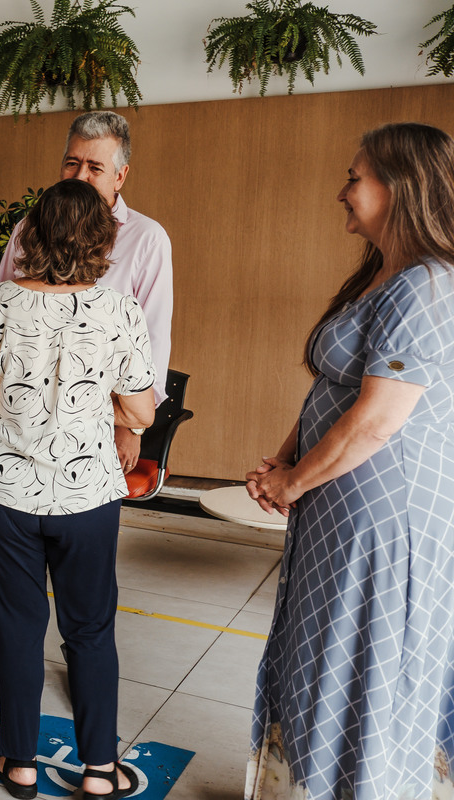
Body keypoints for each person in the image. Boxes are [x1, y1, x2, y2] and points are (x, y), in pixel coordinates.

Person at [245, 122, 454, 799]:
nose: (342, 191)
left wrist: (293, 483)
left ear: (403, 187)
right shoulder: (385, 277)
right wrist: (284, 463)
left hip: (379, 521)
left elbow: (375, 421)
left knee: (357, 668)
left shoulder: (425, 286)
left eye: (355, 177)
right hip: (339, 509)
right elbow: (336, 392)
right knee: (319, 664)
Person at [0, 110, 173, 685]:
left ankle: (81, 654)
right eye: (73, 162)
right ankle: (18, 645)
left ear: (121, 175)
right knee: (16, 553)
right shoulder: (31, 226)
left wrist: (132, 428)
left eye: (96, 166)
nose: (82, 174)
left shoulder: (147, 239)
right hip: (19, 422)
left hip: (94, 421)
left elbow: (155, 338)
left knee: (82, 565)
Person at [0, 178, 155, 799]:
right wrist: (102, 407)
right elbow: (142, 414)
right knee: (90, 629)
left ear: (31, 235)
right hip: (88, 496)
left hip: (3, 492)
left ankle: (20, 763)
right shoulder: (120, 311)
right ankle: (97, 769)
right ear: (103, 242)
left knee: (17, 624)